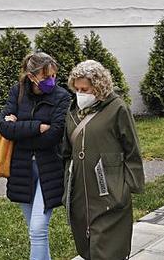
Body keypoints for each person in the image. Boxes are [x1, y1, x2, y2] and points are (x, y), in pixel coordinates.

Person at [65, 59, 144, 260]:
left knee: (108, 249)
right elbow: (66, 150)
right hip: (80, 193)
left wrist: (127, 186)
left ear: (98, 87)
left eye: (85, 89)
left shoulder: (117, 108)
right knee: (87, 246)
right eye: (78, 89)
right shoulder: (73, 110)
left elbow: (132, 149)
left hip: (109, 189)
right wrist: (67, 184)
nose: (81, 94)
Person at [0, 52, 71, 260]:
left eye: (54, 76)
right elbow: (3, 127)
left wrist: (19, 129)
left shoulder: (62, 96)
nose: (52, 81)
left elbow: (54, 135)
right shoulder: (17, 92)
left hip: (49, 168)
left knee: (38, 229)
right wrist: (37, 127)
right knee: (35, 231)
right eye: (46, 77)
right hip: (22, 169)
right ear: (31, 77)